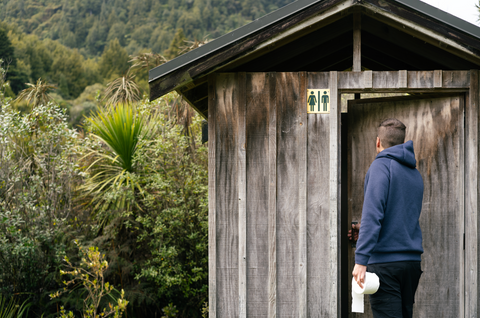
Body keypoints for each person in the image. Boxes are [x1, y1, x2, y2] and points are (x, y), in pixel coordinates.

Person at [350, 118, 424, 318]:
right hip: (411, 264)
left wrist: (361, 260)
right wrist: (361, 229)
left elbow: (373, 214)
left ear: (377, 142)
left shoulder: (380, 166)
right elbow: (399, 215)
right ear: (402, 143)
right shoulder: (415, 173)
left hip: (385, 265)